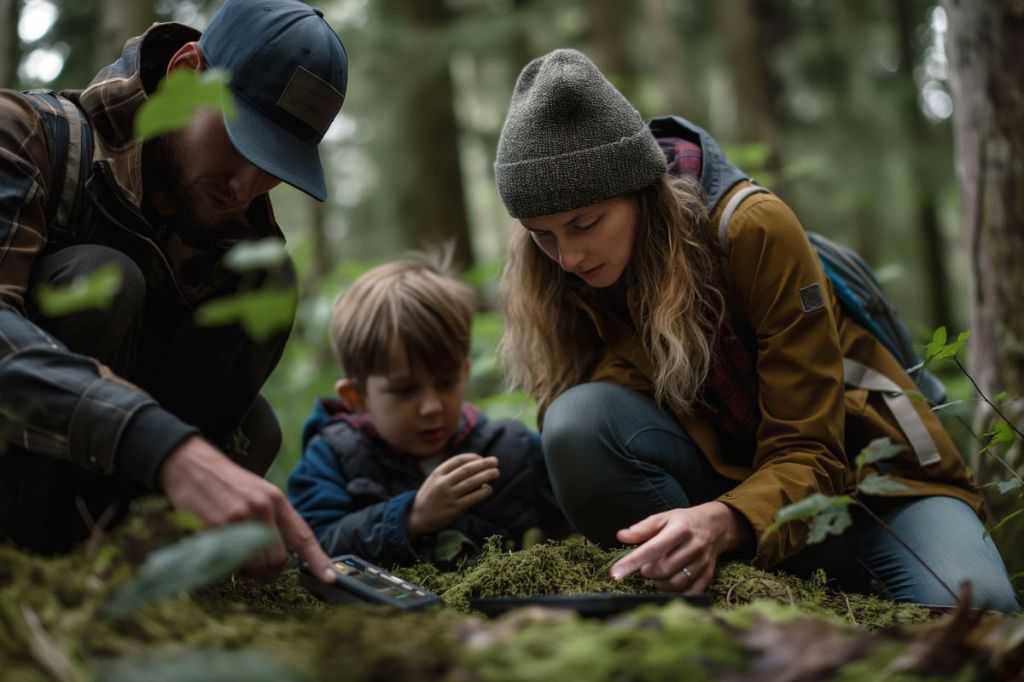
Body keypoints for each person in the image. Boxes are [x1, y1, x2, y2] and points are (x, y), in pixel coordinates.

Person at [493, 48, 1019, 612]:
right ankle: (702, 609)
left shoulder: (752, 231)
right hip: (721, 493)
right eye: (543, 235)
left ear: (642, 191)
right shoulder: (562, 277)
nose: (568, 256)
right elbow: (592, 445)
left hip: (873, 488)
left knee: (982, 611)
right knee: (576, 422)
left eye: (585, 224)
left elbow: (812, 449)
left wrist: (725, 521)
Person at [0, 0, 347, 583]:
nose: (245, 187)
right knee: (100, 279)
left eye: (273, 165)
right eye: (241, 141)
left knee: (258, 413)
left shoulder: (238, 248)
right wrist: (165, 447)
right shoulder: (26, 139)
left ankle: (146, 573)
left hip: (122, 542)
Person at [287, 253, 570, 566]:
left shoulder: (511, 450)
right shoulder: (333, 457)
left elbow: (575, 522)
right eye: (405, 390)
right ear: (357, 397)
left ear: (464, 371)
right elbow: (313, 544)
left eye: (447, 383)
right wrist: (412, 517)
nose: (432, 407)